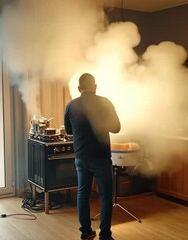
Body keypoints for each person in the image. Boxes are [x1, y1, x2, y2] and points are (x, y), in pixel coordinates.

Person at [64, 73, 121, 240]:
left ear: (79, 88)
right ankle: (105, 235)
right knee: (105, 195)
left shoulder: (71, 105)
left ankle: (86, 232)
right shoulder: (105, 102)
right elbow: (116, 128)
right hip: (101, 157)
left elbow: (68, 130)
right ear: (95, 86)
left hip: (81, 156)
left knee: (83, 193)